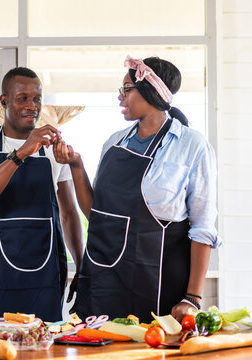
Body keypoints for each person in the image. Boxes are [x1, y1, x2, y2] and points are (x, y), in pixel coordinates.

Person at [53, 56, 220, 323]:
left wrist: (192, 298)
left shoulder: (192, 146)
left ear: (151, 90)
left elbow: (203, 228)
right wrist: (76, 165)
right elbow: (97, 214)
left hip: (158, 285)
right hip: (104, 281)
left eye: (126, 89)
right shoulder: (114, 143)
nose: (120, 97)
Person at [0, 67, 84, 321]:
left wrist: (81, 269)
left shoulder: (53, 150)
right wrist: (21, 153)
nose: (32, 106)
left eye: (37, 98)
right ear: (4, 101)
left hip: (45, 275)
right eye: (22, 98)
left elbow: (69, 214)